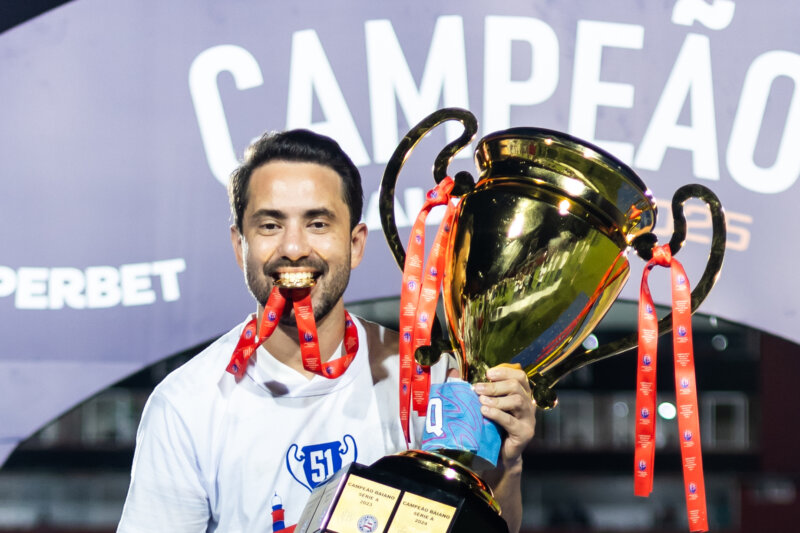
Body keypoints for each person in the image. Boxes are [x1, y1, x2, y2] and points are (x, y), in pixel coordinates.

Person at [117, 129, 536, 532]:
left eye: (317, 224)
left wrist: (508, 464)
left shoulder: (431, 379)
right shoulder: (185, 404)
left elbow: (481, 524)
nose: (294, 248)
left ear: (355, 244)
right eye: (270, 225)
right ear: (239, 245)